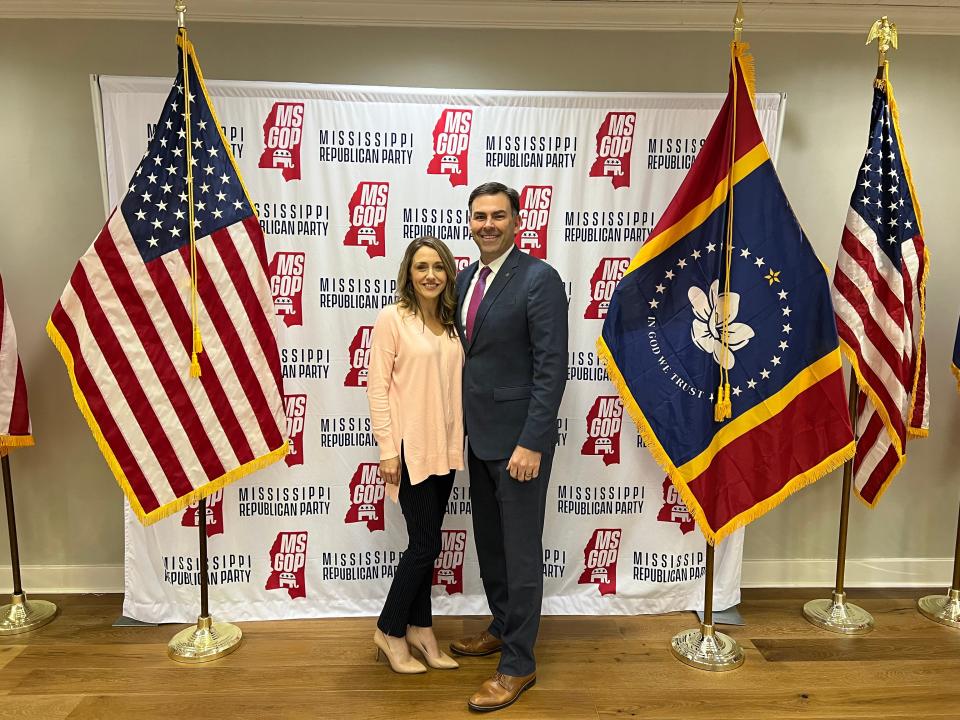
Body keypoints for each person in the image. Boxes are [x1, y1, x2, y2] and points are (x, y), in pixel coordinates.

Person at [451, 182, 568, 711]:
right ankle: (501, 626)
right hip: (477, 439)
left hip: (519, 445)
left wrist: (532, 442)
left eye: (499, 215)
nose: (488, 224)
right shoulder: (464, 277)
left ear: (518, 221)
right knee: (492, 545)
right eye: (479, 216)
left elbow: (550, 368)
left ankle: (518, 663)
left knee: (520, 553)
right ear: (469, 222)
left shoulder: (539, 278)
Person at [367, 236, 464, 674]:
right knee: (426, 544)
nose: (430, 275)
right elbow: (377, 389)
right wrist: (388, 452)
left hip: (444, 449)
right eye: (421, 267)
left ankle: (421, 629)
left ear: (448, 274)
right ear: (409, 273)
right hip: (409, 450)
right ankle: (389, 630)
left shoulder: (451, 323)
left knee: (425, 543)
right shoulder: (393, 319)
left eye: (438, 267)